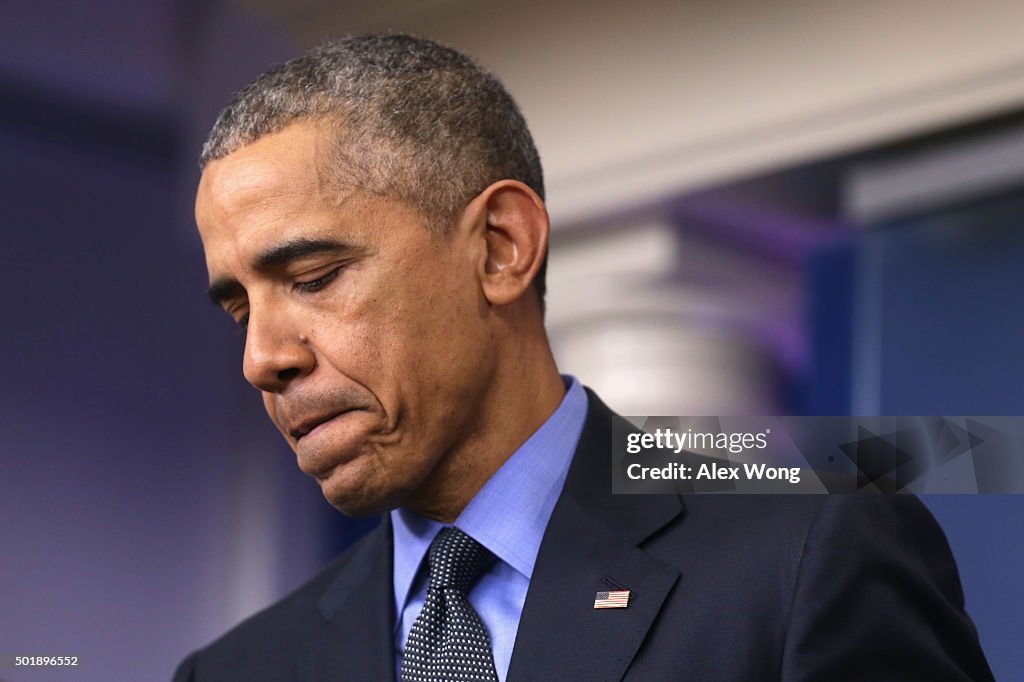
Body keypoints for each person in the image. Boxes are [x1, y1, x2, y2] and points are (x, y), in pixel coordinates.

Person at [174, 34, 993, 681]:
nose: (261, 358)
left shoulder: (806, 561)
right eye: (240, 309)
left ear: (501, 248)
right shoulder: (235, 671)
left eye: (313, 279)